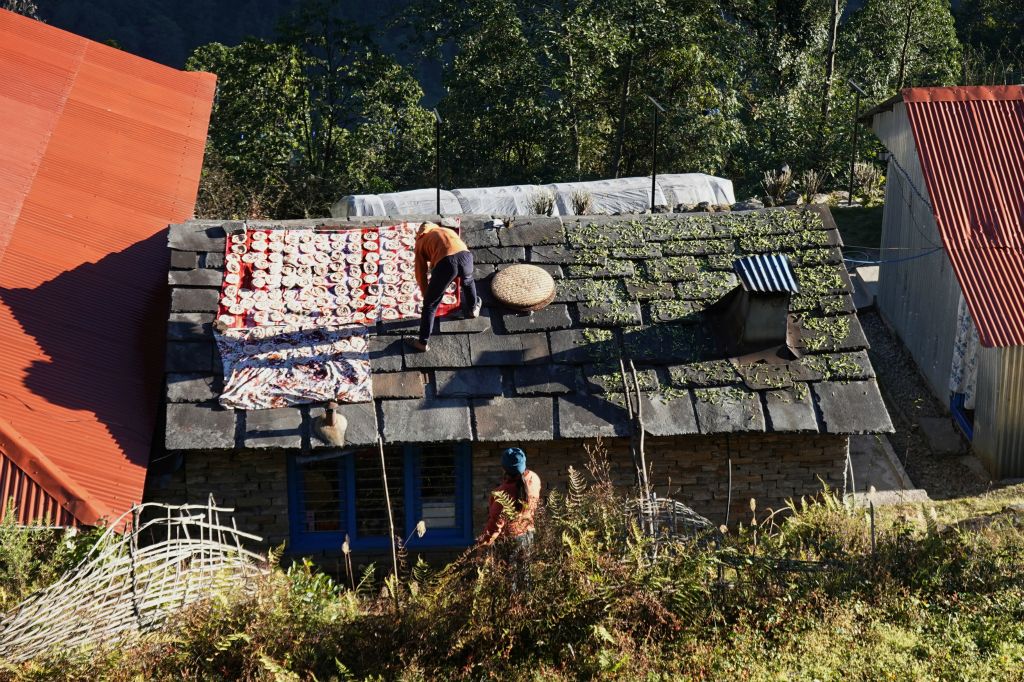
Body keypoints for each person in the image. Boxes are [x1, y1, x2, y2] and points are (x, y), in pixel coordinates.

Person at [406, 221, 481, 352]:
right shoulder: (445, 230)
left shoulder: (421, 241)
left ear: (419, 234)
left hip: (446, 262)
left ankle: (422, 342)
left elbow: (420, 274)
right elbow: (455, 251)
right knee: (468, 281)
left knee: (431, 303)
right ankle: (473, 309)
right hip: (466, 256)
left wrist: (426, 294)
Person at [478, 447, 542, 550]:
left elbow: (495, 523)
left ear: (504, 468)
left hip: (511, 542)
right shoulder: (534, 478)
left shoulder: (504, 493)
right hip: (529, 534)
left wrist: (482, 544)